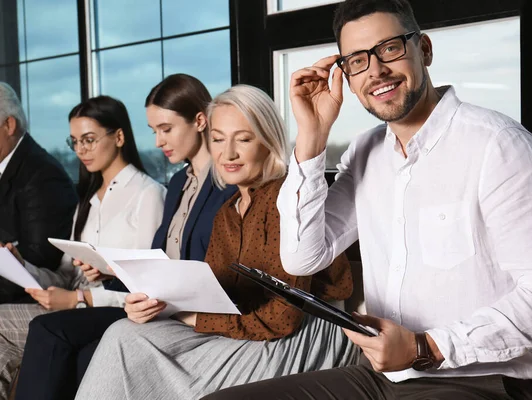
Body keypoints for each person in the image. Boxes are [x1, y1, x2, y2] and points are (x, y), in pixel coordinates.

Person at [202, 1, 532, 399]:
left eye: (390, 48)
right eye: (358, 61)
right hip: (381, 380)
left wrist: (425, 347)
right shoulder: (365, 154)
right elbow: (302, 258)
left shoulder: (498, 145)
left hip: (479, 381)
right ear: (345, 76)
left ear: (425, 50)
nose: (376, 71)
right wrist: (311, 135)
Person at [74, 84, 358, 400]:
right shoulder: (228, 211)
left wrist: (189, 317)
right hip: (250, 327)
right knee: (124, 333)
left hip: (301, 338)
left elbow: (282, 318)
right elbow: (220, 295)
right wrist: (157, 306)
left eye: (244, 139)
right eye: (219, 139)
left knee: (139, 352)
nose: (228, 153)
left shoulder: (286, 200)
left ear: (268, 141)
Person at [13, 74, 238, 400]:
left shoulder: (221, 186)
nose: (159, 141)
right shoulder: (177, 184)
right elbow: (158, 257)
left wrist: (91, 295)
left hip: (190, 312)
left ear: (200, 120)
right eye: (154, 132)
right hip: (157, 305)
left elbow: (212, 266)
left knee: (76, 345)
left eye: (166, 129)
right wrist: (112, 271)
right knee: (76, 346)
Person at [0, 94, 166, 399]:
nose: (80, 150)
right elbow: (65, 275)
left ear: (118, 137)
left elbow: (146, 288)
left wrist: (76, 299)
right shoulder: (87, 200)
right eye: (74, 141)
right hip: (72, 303)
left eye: (88, 139)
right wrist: (21, 265)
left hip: (111, 311)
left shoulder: (148, 195)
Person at [0, 82, 78, 304]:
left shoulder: (43, 174)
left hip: (36, 295)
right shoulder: (9, 163)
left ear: (9, 124)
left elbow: (41, 258)